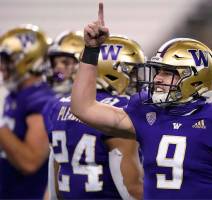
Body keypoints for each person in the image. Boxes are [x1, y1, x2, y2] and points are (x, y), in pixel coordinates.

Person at [71, 3, 212, 199]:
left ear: (194, 77)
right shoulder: (147, 112)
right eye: (158, 72)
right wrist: (91, 50)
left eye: (167, 73)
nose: (157, 78)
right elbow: (83, 108)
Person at [43, 31, 144, 199]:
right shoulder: (119, 109)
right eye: (132, 74)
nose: (136, 81)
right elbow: (131, 189)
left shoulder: (59, 106)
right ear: (113, 73)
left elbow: (54, 177)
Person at [0, 24, 55, 198]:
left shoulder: (41, 101)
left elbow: (30, 162)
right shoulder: (15, 95)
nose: (2, 67)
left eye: (7, 60)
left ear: (26, 60)